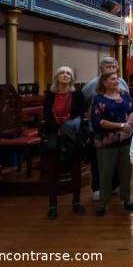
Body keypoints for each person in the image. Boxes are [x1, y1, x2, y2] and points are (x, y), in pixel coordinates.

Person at [91, 72, 133, 216]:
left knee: (126, 172)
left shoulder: (124, 95)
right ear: (104, 82)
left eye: (117, 78)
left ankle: (126, 200)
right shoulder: (98, 99)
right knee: (105, 173)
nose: (116, 80)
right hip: (106, 141)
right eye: (113, 79)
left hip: (125, 139)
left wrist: (129, 123)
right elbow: (99, 122)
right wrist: (121, 125)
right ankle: (103, 203)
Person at [81, 57, 128, 202]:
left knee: (117, 159)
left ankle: (115, 185)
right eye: (108, 67)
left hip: (119, 129)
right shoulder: (91, 85)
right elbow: (83, 103)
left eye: (114, 66)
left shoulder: (122, 82)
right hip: (100, 130)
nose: (111, 69)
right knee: (99, 161)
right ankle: (97, 188)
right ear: (101, 69)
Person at [42, 66, 85, 220]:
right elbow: (46, 116)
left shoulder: (78, 95)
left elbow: (80, 115)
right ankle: (52, 205)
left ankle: (76, 202)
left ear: (72, 78)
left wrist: (66, 129)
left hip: (72, 136)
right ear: (56, 77)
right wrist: (57, 129)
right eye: (62, 73)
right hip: (54, 135)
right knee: (52, 172)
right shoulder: (49, 95)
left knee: (75, 171)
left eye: (68, 73)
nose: (65, 75)